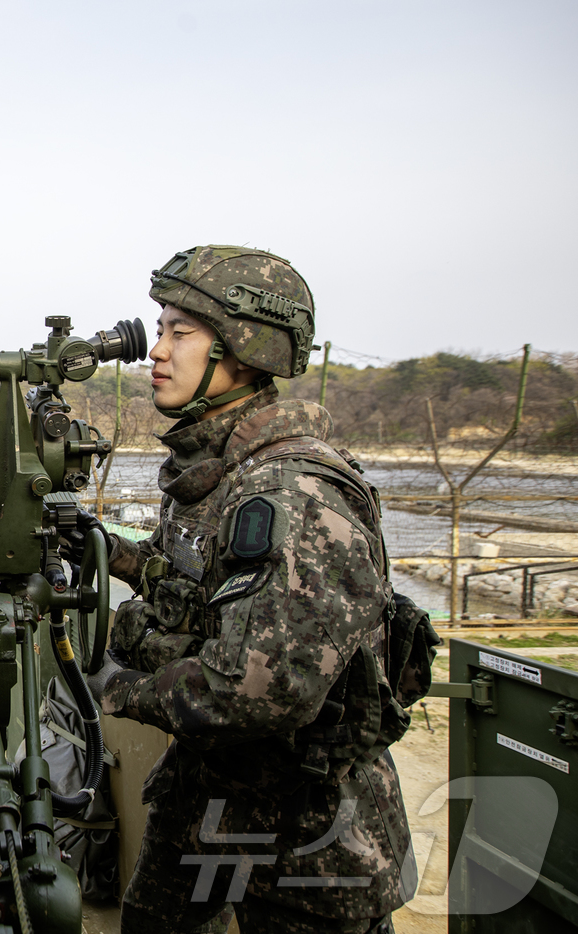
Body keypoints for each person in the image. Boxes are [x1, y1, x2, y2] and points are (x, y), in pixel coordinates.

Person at [86, 246, 413, 933]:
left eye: (182, 332)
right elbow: (197, 584)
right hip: (209, 797)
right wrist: (101, 551)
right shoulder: (220, 471)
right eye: (163, 330)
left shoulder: (290, 493)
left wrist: (115, 689)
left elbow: (254, 691)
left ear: (243, 347)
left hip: (308, 837)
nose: (158, 351)